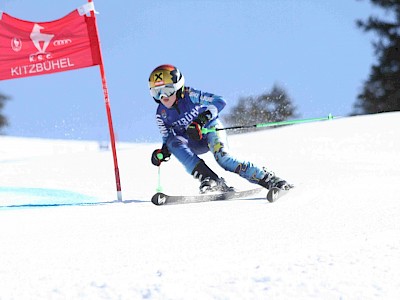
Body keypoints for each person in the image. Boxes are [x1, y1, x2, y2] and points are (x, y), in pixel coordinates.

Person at [149, 64, 292, 194]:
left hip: (209, 130)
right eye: (156, 92)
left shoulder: (190, 95)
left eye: (167, 90)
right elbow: (167, 137)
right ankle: (211, 180)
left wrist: (200, 120)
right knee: (172, 143)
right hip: (192, 141)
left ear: (178, 86)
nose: (163, 97)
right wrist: (163, 152)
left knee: (224, 159)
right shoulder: (161, 114)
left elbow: (220, 101)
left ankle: (267, 178)